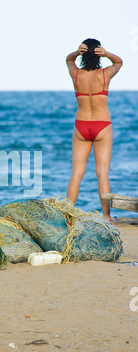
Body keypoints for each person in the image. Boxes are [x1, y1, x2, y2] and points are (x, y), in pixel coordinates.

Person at [66, 38, 123, 222]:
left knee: (76, 173)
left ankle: (67, 215)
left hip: (81, 126)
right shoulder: (105, 74)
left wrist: (76, 53)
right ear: (98, 53)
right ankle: (106, 216)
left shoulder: (76, 74)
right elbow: (119, 61)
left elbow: (68, 60)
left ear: (83, 53)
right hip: (102, 126)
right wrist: (107, 54)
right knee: (102, 173)